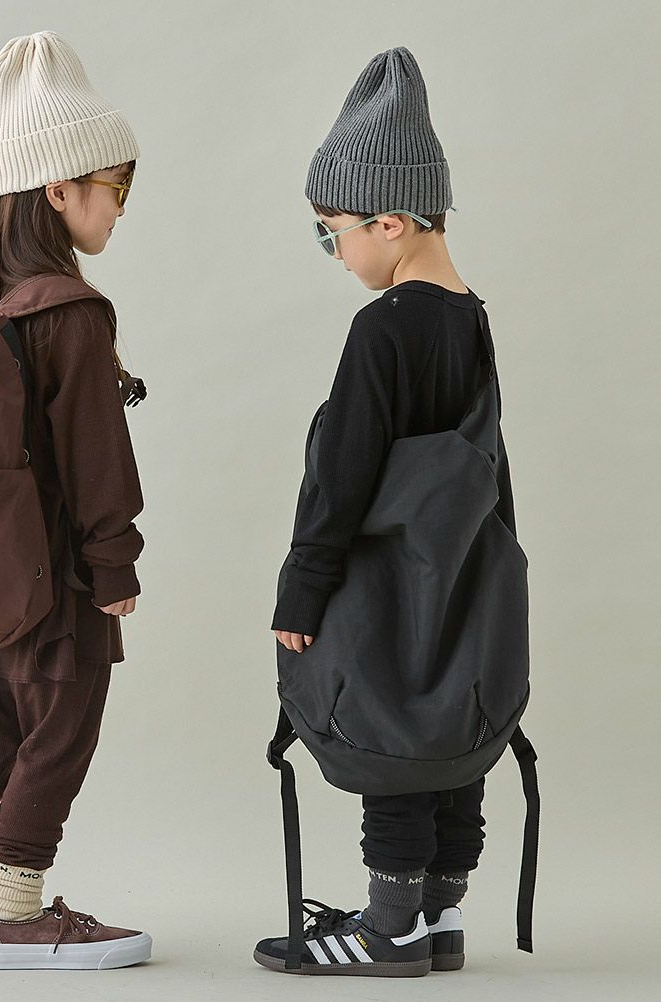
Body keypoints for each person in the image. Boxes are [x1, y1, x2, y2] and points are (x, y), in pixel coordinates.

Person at [255, 45, 512, 977]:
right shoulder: (469, 317)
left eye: (331, 232)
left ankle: (388, 927)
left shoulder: (383, 329)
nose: (334, 252)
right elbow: (489, 462)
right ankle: (440, 916)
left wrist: (304, 585)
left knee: (392, 725)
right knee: (445, 724)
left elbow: (345, 473)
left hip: (383, 571)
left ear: (390, 221)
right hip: (461, 567)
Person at [0, 31, 152, 971]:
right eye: (114, 186)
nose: (119, 206)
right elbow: (96, 454)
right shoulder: (70, 313)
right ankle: (12, 909)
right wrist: (114, 565)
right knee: (61, 730)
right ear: (58, 188)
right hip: (61, 579)